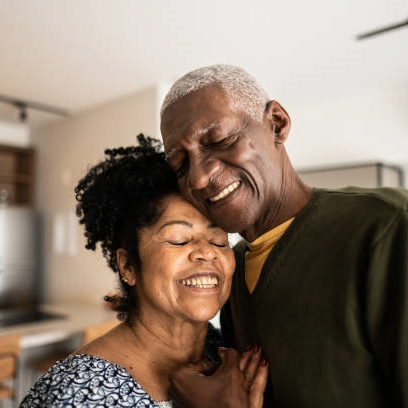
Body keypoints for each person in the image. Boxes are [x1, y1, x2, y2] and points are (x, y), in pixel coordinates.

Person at [160, 64, 408, 407]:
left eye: (219, 140)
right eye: (181, 165)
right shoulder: (233, 270)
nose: (199, 178)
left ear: (276, 123)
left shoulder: (387, 228)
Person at [20, 134, 268, 408]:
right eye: (179, 239)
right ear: (128, 266)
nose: (207, 252)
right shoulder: (74, 395)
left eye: (219, 240)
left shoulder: (233, 360)